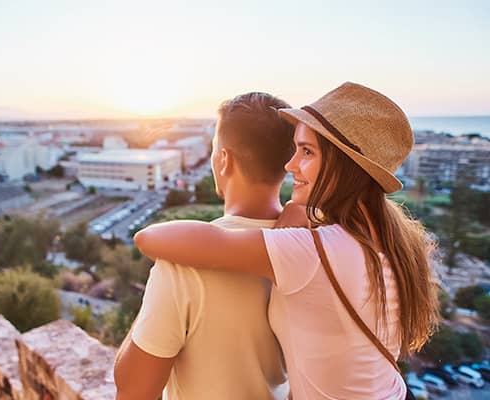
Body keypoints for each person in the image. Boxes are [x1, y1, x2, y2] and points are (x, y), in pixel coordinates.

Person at [134, 82, 440, 400]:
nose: (291, 165)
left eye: (307, 152)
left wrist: (294, 220)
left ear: (342, 165)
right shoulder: (390, 240)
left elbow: (151, 238)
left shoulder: (315, 251)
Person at [113, 92, 294, 400]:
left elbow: (133, 390)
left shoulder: (183, 261)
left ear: (224, 160)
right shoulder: (308, 245)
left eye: (213, 150)